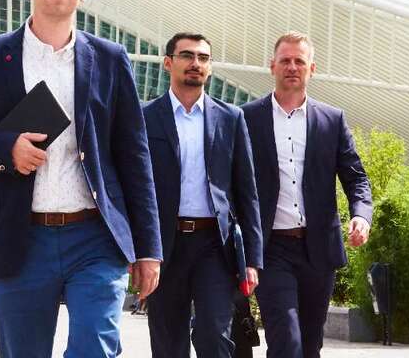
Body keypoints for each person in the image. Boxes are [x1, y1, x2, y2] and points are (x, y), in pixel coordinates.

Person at [0, 0, 162, 358]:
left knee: (96, 349)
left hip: (95, 237)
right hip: (19, 237)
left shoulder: (111, 59)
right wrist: (6, 150)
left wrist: (149, 248)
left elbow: (134, 156)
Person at [243, 33, 371, 358]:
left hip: (318, 250)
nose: (292, 67)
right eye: (285, 60)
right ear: (272, 66)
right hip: (271, 250)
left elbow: (356, 178)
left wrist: (360, 215)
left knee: (310, 346)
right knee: (286, 343)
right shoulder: (246, 118)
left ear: (311, 68)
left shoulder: (332, 120)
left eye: (299, 61)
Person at [142, 32, 262, 358]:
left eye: (203, 58)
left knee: (215, 336)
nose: (196, 63)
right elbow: (134, 187)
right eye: (187, 56)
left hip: (215, 246)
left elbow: (246, 192)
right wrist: (136, 251)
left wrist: (252, 259)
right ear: (169, 63)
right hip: (165, 246)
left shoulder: (230, 118)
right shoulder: (145, 117)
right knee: (168, 344)